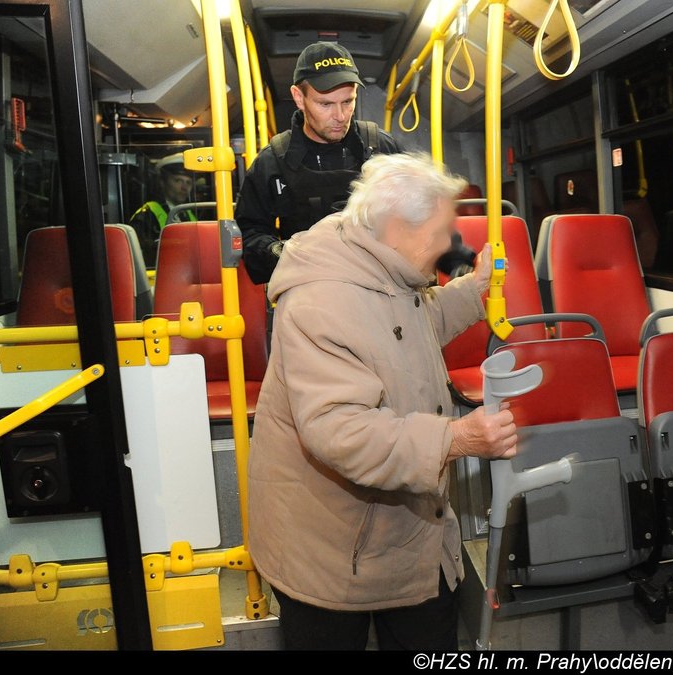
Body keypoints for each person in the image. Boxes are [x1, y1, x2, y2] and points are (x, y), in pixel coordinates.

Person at [247, 153, 518, 651]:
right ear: (398, 228)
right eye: (440, 231)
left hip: (409, 530)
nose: (448, 243)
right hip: (330, 547)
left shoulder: (384, 267)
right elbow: (341, 430)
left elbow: (402, 336)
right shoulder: (320, 301)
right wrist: (455, 439)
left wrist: (475, 292)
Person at [234, 41, 402, 285]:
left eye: (348, 101)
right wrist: (285, 253)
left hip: (380, 287)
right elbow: (250, 231)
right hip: (308, 287)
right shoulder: (272, 163)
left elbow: (418, 213)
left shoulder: (382, 149)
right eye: (326, 104)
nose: (341, 116)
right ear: (299, 98)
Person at [127, 152, 197, 267]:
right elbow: (139, 258)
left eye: (188, 182)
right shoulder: (148, 214)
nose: (184, 187)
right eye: (178, 180)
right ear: (162, 182)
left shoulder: (189, 213)